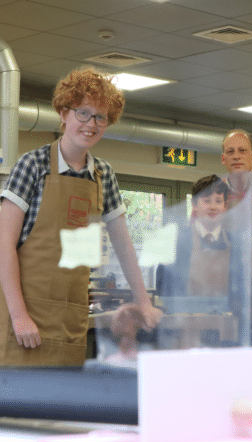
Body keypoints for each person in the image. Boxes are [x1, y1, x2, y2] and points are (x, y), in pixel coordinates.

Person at [0, 66, 161, 366]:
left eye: (101, 117)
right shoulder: (32, 165)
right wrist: (19, 316)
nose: (91, 124)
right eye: (83, 113)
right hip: (21, 320)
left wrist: (143, 301)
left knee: (62, 410)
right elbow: (3, 244)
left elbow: (125, 247)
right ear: (63, 113)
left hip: (70, 322)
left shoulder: (104, 175)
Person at [157, 174, 230, 298]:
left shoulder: (235, 244)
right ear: (194, 205)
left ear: (225, 206)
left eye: (218, 201)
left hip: (227, 316)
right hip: (186, 315)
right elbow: (164, 288)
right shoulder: (175, 243)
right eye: (206, 201)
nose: (213, 207)